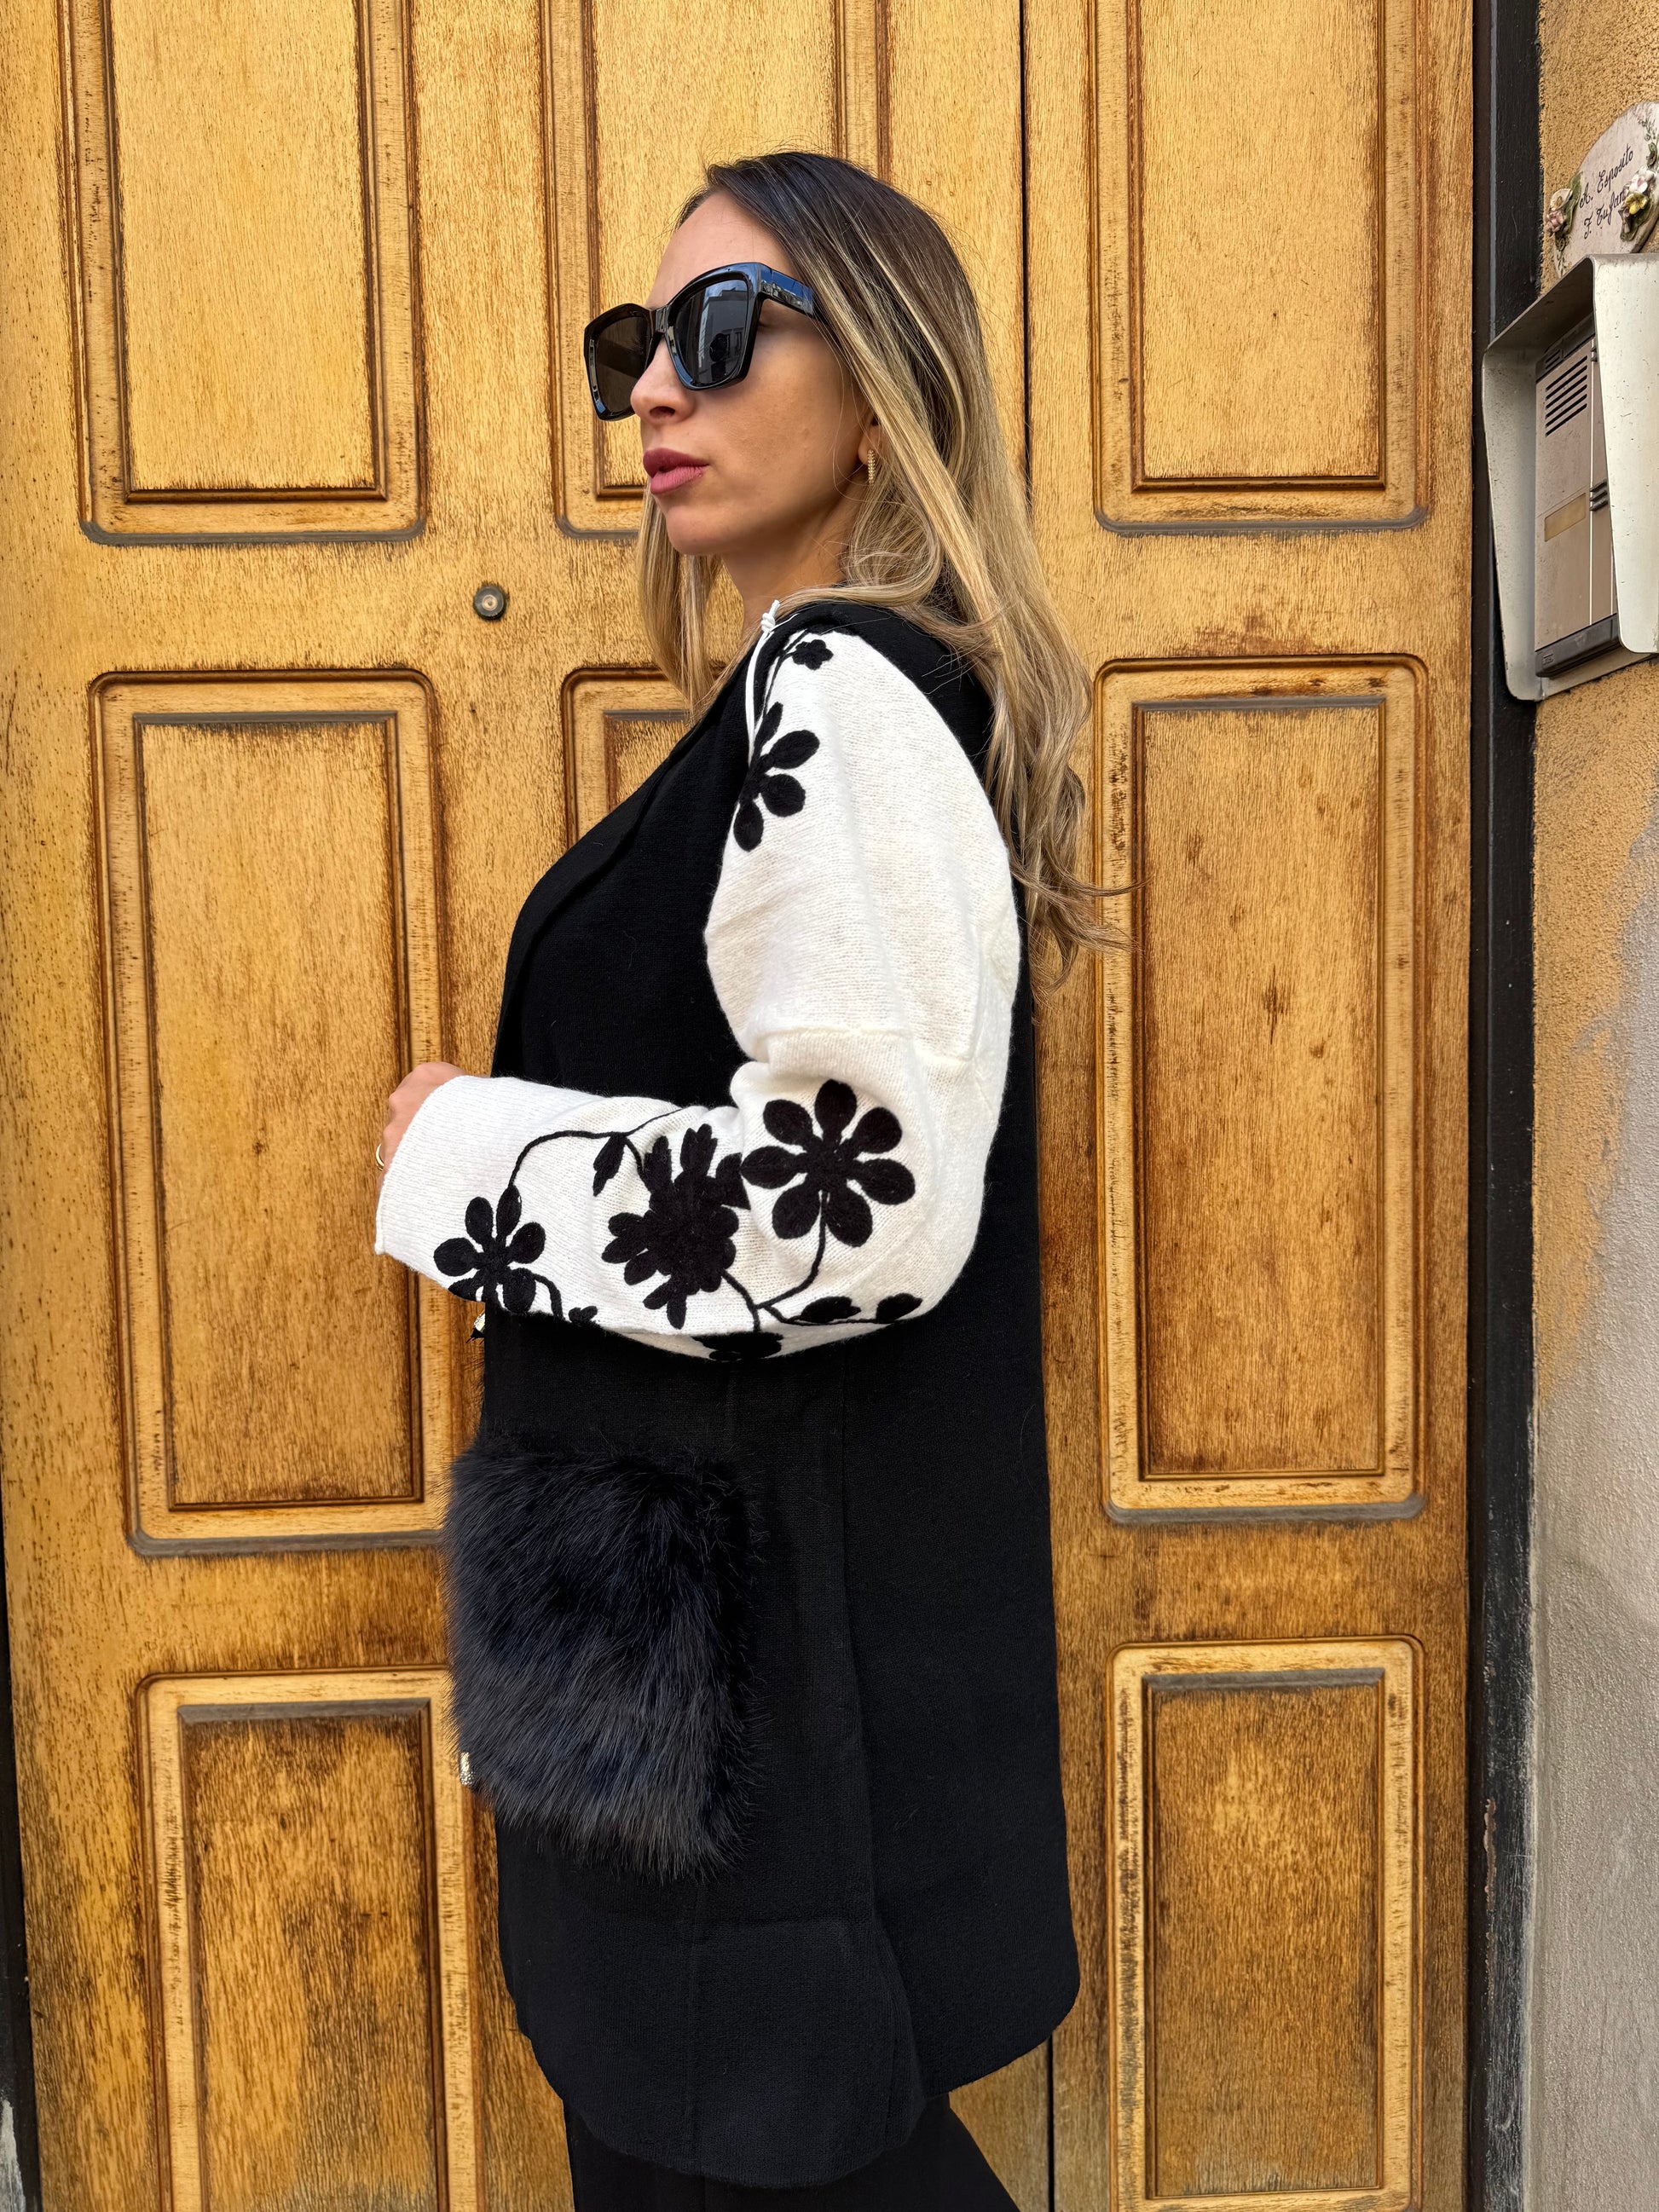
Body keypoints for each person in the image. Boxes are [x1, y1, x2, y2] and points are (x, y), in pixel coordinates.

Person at [375, 148, 1107, 2210]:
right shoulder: (811, 698)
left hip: (741, 1693)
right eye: (637, 343)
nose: (652, 389)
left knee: (735, 2146)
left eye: (718, 331)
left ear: (880, 392)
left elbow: (847, 1208)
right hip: (688, 1646)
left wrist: (464, 1149)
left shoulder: (834, 696)